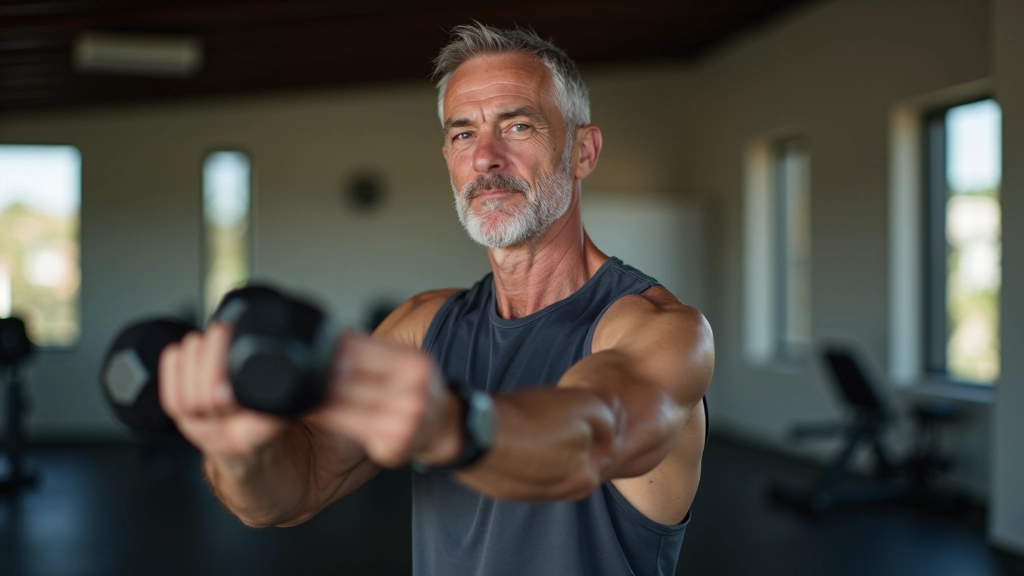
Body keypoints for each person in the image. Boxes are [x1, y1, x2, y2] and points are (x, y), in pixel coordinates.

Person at [158, 23, 714, 576]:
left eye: (518, 126)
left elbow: (596, 432)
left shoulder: (664, 332)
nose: (486, 158)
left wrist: (452, 424)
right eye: (463, 134)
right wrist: (242, 452)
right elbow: (294, 491)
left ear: (582, 152)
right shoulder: (423, 327)